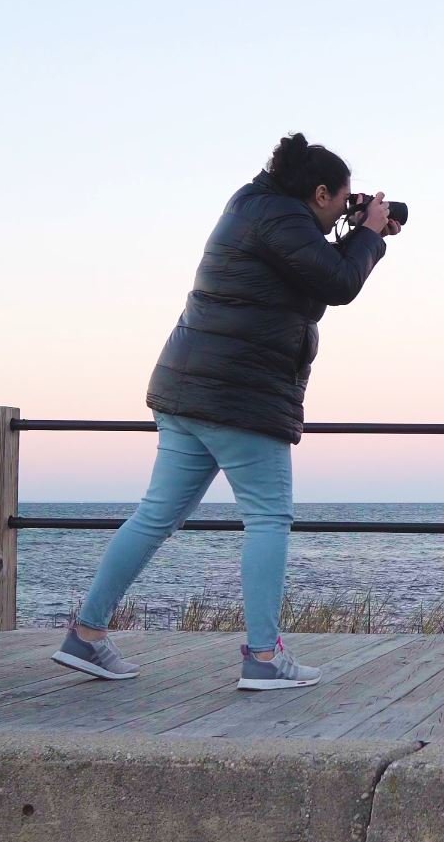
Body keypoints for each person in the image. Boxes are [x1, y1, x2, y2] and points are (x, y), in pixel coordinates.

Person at [52, 133, 402, 690]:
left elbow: (310, 286)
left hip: (191, 390)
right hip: (239, 397)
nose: (345, 206)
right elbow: (338, 285)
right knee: (268, 519)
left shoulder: (254, 207)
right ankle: (264, 658)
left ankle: (87, 634)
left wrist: (360, 232)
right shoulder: (282, 221)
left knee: (155, 516)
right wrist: (365, 235)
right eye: (342, 198)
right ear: (317, 193)